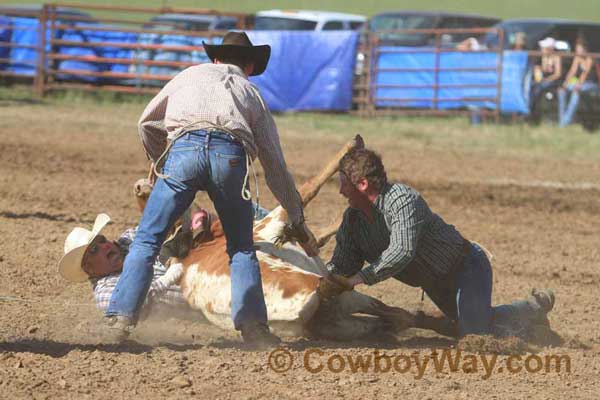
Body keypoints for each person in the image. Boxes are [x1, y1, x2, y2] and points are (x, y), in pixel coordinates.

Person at [103, 31, 319, 346]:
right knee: (242, 248)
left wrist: (161, 162)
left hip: (183, 153)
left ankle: (120, 319)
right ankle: (254, 329)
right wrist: (296, 217)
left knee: (148, 240)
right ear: (248, 65)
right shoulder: (250, 91)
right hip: (229, 158)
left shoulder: (187, 76)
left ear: (215, 58)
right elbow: (274, 164)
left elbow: (146, 124)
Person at [319, 148, 556, 340]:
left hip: (466, 268)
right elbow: (342, 264)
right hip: (434, 283)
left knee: (474, 336)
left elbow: (402, 251)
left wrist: (357, 279)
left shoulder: (401, 199)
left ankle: (532, 309)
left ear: (362, 184)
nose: (340, 190)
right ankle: (533, 315)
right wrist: (320, 280)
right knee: (466, 326)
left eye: (343, 183)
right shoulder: (352, 221)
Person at [58, 213, 191, 317]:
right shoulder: (105, 293)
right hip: (201, 299)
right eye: (94, 250)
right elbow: (128, 305)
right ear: (89, 269)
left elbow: (158, 227)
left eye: (102, 240)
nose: (105, 246)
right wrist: (168, 278)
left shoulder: (129, 238)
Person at [558, 35, 596, 127]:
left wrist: (578, 85)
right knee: (561, 92)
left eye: (579, 49)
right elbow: (572, 72)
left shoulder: (590, 58)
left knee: (576, 93)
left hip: (591, 84)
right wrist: (564, 84)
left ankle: (566, 122)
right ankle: (562, 120)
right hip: (580, 84)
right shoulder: (577, 58)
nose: (577, 51)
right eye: (576, 49)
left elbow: (585, 73)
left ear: (585, 49)